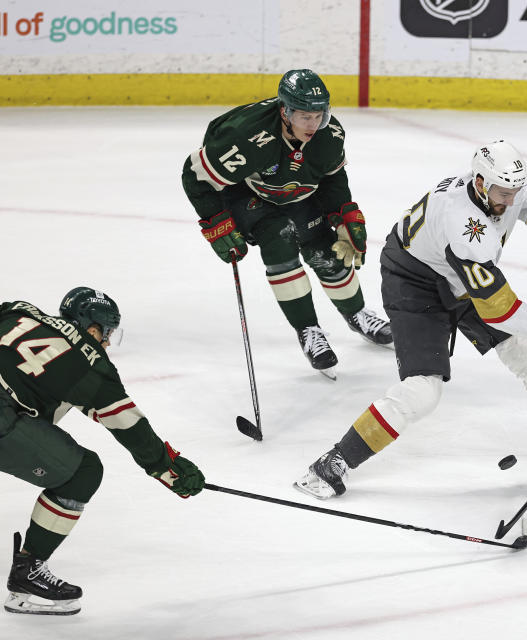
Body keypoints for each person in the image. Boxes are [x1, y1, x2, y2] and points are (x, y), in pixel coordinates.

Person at [294, 140, 527, 499]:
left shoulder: (500, 187)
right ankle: (334, 462)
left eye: (514, 190)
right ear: (479, 182)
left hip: (461, 276)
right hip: (416, 283)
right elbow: (497, 306)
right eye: (502, 192)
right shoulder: (463, 222)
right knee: (422, 390)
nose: (508, 200)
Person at [0, 288, 204, 616]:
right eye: (107, 334)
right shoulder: (91, 362)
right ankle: (28, 569)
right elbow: (127, 424)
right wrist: (167, 468)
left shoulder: (20, 311)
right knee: (83, 473)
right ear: (92, 327)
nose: (107, 343)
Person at [182, 68, 392, 380]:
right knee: (279, 238)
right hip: (246, 193)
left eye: (319, 114)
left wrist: (344, 214)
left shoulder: (329, 134)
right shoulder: (246, 138)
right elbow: (194, 176)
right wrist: (217, 224)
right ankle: (308, 329)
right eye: (305, 116)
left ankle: (356, 313)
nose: (314, 124)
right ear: (285, 110)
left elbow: (332, 176)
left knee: (327, 251)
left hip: (296, 191)